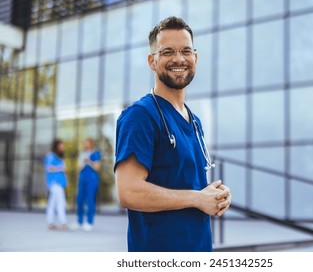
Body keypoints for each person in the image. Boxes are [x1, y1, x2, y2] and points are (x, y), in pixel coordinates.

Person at [114, 16, 231, 252]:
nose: (178, 58)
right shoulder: (140, 116)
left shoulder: (194, 121)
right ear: (152, 61)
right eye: (167, 52)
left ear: (195, 58)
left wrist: (215, 196)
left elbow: (186, 185)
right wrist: (197, 198)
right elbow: (129, 191)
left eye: (186, 51)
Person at [74, 137, 101, 231]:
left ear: (91, 143)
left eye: (87, 142)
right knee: (80, 200)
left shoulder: (95, 153)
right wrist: (82, 163)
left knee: (90, 200)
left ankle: (89, 222)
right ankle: (79, 222)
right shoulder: (82, 154)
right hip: (82, 179)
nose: (86, 144)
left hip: (92, 180)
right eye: (85, 142)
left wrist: (88, 161)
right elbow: (78, 168)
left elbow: (97, 168)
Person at [44, 139, 68, 230]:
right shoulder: (50, 156)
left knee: (52, 203)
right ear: (56, 146)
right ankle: (63, 222)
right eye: (61, 146)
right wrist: (61, 168)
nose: (63, 148)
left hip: (59, 183)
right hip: (55, 183)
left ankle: (50, 222)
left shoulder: (60, 158)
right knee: (61, 202)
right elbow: (49, 168)